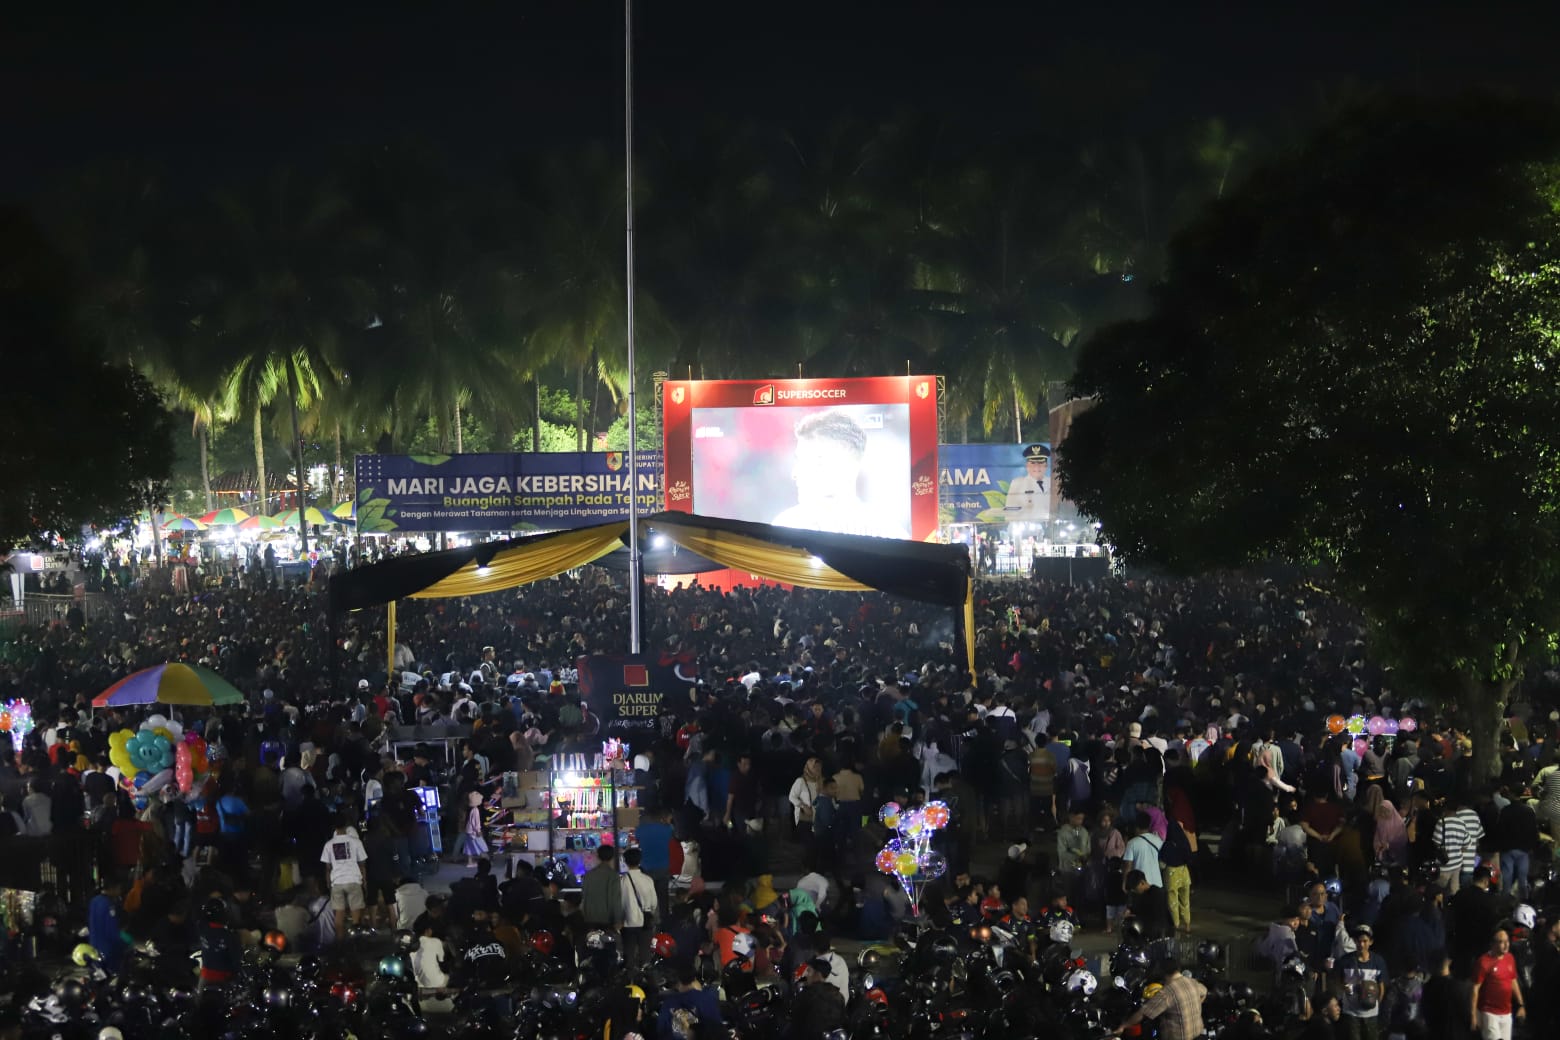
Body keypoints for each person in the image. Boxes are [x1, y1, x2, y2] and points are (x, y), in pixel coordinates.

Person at [771, 410, 909, 539]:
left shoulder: (889, 533)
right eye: (798, 460)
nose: (795, 474)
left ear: (846, 466)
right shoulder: (785, 526)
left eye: (815, 462)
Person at [1112, 957, 1206, 1040]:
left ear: (1163, 972)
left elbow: (1143, 1013)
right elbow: (1204, 992)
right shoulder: (1192, 982)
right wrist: (1195, 1004)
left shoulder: (1167, 993)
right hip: (1198, 1035)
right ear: (1178, 968)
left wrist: (1123, 1026)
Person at [1334, 923, 1388, 1040]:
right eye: (1358, 941)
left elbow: (1381, 987)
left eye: (1365, 941)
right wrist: (1345, 989)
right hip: (1351, 1012)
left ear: (1370, 942)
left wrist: (1376, 1004)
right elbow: (1338, 981)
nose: (1361, 944)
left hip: (1371, 1013)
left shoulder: (1378, 961)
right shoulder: (1345, 961)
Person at [321, 813, 369, 941]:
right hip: (353, 880)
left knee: (339, 916)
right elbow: (362, 864)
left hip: (337, 881)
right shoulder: (356, 842)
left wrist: (328, 884)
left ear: (334, 827)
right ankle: (356, 942)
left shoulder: (328, 844)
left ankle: (340, 943)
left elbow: (327, 868)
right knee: (356, 917)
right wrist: (364, 881)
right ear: (346, 824)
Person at [1470, 928, 1524, 1040]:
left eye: (1507, 941)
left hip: (1506, 1013)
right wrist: (1473, 1015)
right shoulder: (1483, 962)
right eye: (1501, 942)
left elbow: (1513, 981)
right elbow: (1475, 989)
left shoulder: (1510, 958)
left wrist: (1520, 1004)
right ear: (1493, 944)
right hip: (1489, 1013)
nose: (1506, 945)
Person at [657, 966, 723, 1040]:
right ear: (694, 978)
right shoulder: (708, 999)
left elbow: (661, 1032)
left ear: (677, 979)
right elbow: (717, 1031)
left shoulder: (668, 1003)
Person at [789, 958, 847, 1040]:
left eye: (809, 971)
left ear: (818, 974)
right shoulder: (838, 995)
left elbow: (795, 1022)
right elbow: (842, 1021)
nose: (806, 975)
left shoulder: (806, 995)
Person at [621, 846, 659, 971]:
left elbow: (620, 904)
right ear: (640, 861)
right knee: (645, 955)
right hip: (645, 922)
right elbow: (654, 903)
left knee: (629, 956)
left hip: (628, 923)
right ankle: (648, 982)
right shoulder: (648, 880)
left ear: (625, 862)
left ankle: (631, 981)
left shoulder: (622, 881)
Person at [87, 877, 128, 974]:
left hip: (94, 949)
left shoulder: (94, 901)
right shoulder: (109, 905)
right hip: (108, 952)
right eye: (119, 888)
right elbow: (112, 932)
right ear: (112, 888)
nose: (120, 891)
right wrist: (124, 944)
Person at [582, 844, 625, 931]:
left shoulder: (588, 875)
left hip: (590, 918)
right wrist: (618, 920)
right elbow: (615, 899)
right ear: (612, 857)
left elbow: (584, 896)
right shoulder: (613, 875)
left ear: (598, 856)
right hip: (607, 919)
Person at [1003, 444, 1051, 521]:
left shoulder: (1053, 483)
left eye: (1040, 463)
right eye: (1033, 463)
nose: (1037, 467)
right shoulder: (1017, 483)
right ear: (1027, 466)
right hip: (1027, 529)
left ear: (1046, 465)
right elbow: (1010, 513)